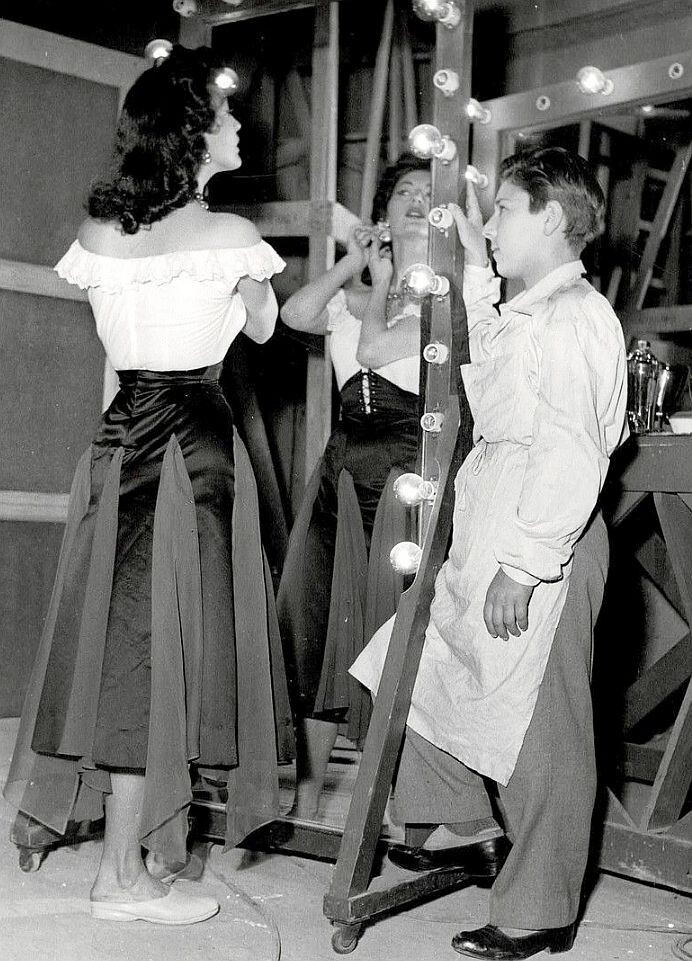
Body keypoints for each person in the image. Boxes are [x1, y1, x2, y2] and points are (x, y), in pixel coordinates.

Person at [4, 45, 290, 925]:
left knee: (117, 640)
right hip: (189, 448)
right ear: (193, 131)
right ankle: (119, 877)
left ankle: (122, 854)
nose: (240, 127)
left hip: (117, 439)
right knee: (159, 648)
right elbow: (265, 327)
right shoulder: (230, 236)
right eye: (226, 115)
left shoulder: (99, 235)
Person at [351, 146, 628, 960]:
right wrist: (476, 261)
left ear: (552, 216)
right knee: (420, 662)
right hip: (496, 518)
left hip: (543, 533)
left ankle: (539, 907)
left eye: (505, 209)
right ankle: (464, 825)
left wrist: (527, 563)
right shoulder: (529, 312)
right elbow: (487, 363)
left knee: (540, 723)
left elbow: (572, 450)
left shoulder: (577, 317)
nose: (493, 225)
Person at [277, 156, 431, 819]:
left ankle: (397, 807)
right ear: (384, 213)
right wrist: (354, 263)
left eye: (429, 192)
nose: (417, 200)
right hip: (340, 476)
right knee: (315, 626)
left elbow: (373, 352)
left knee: (396, 636)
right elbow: (296, 312)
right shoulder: (354, 296)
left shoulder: (446, 299)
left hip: (405, 479)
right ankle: (306, 801)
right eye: (404, 191)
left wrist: (389, 279)